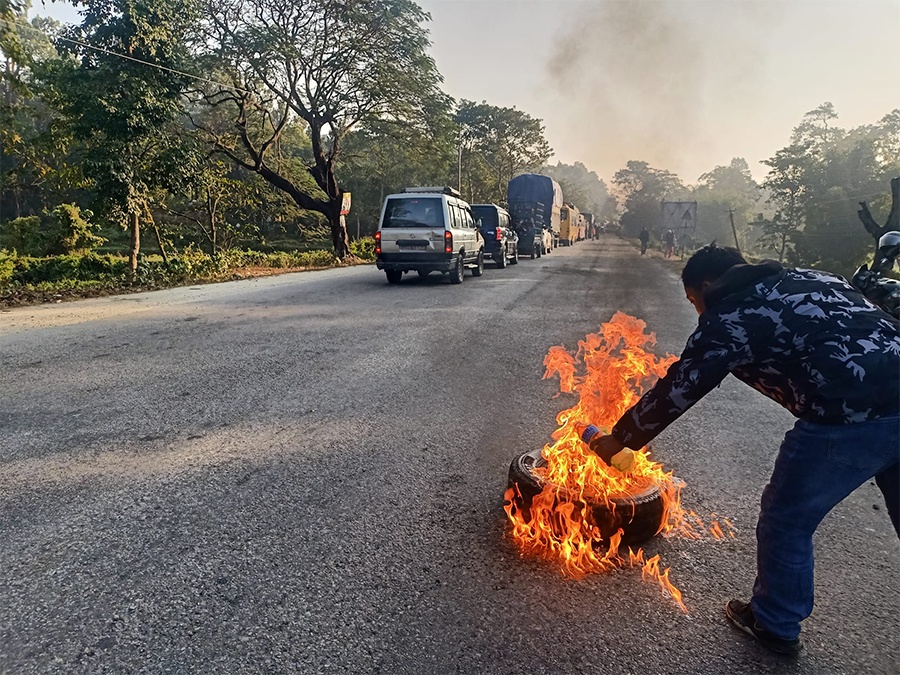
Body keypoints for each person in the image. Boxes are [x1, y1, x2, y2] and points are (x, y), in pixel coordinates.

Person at [583, 244, 899, 656]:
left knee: (787, 520)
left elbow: (683, 385)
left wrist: (621, 439)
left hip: (850, 415)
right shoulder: (816, 277)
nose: (699, 311)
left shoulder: (731, 314)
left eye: (695, 301)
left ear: (709, 286)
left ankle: (774, 623)